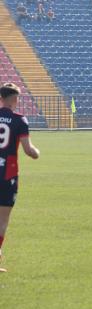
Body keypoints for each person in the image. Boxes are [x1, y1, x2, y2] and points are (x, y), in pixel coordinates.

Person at [0, 83, 40, 272]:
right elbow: (28, 150)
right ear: (15, 99)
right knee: (2, 220)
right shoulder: (19, 120)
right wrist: (36, 152)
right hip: (7, 174)